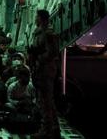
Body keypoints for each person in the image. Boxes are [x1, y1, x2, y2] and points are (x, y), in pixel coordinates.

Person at [28, 10, 61, 139]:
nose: (35, 19)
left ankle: (47, 131)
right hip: (39, 69)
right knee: (45, 101)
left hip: (46, 70)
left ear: (41, 18)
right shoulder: (39, 33)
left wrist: (38, 57)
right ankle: (53, 128)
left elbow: (52, 52)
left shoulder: (48, 34)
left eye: (36, 17)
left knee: (46, 101)